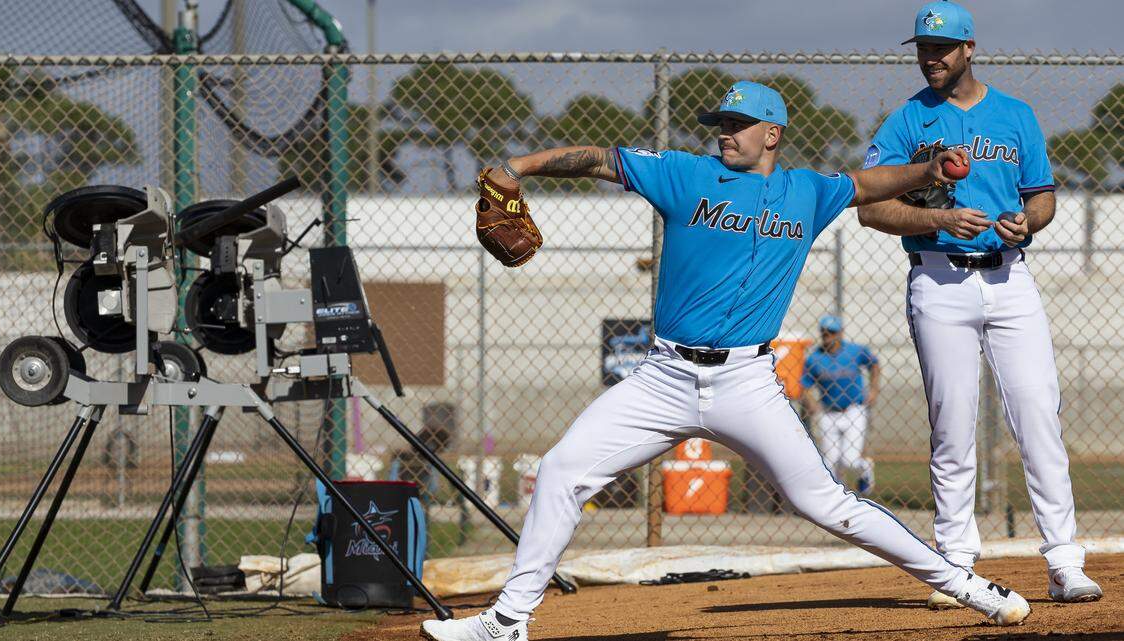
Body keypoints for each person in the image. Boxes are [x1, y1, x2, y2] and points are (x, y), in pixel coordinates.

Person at [423, 79, 1029, 641]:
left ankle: (964, 585)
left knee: (827, 505)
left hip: (747, 382)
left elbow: (868, 186)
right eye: (721, 122)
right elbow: (602, 160)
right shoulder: (685, 175)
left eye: (739, 123)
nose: (724, 132)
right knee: (560, 472)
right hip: (664, 377)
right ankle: (508, 620)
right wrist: (515, 168)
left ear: (772, 134)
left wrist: (928, 168)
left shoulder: (808, 192)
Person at [857, 0, 1102, 609]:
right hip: (938, 279)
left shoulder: (1015, 115)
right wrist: (937, 216)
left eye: (941, 48)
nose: (930, 58)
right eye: (922, 47)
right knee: (952, 420)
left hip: (1010, 277)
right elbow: (869, 207)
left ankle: (1064, 560)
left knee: (1039, 410)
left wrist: (1029, 222)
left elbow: (1042, 195)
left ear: (970, 49)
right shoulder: (907, 121)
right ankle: (957, 563)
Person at [801, 315, 879, 495]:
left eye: (832, 332)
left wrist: (874, 389)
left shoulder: (854, 351)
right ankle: (840, 498)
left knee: (850, 460)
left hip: (854, 410)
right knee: (830, 462)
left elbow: (874, 364)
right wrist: (811, 404)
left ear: (841, 333)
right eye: (825, 332)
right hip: (828, 413)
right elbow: (804, 386)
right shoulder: (814, 359)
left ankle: (865, 467)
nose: (828, 335)